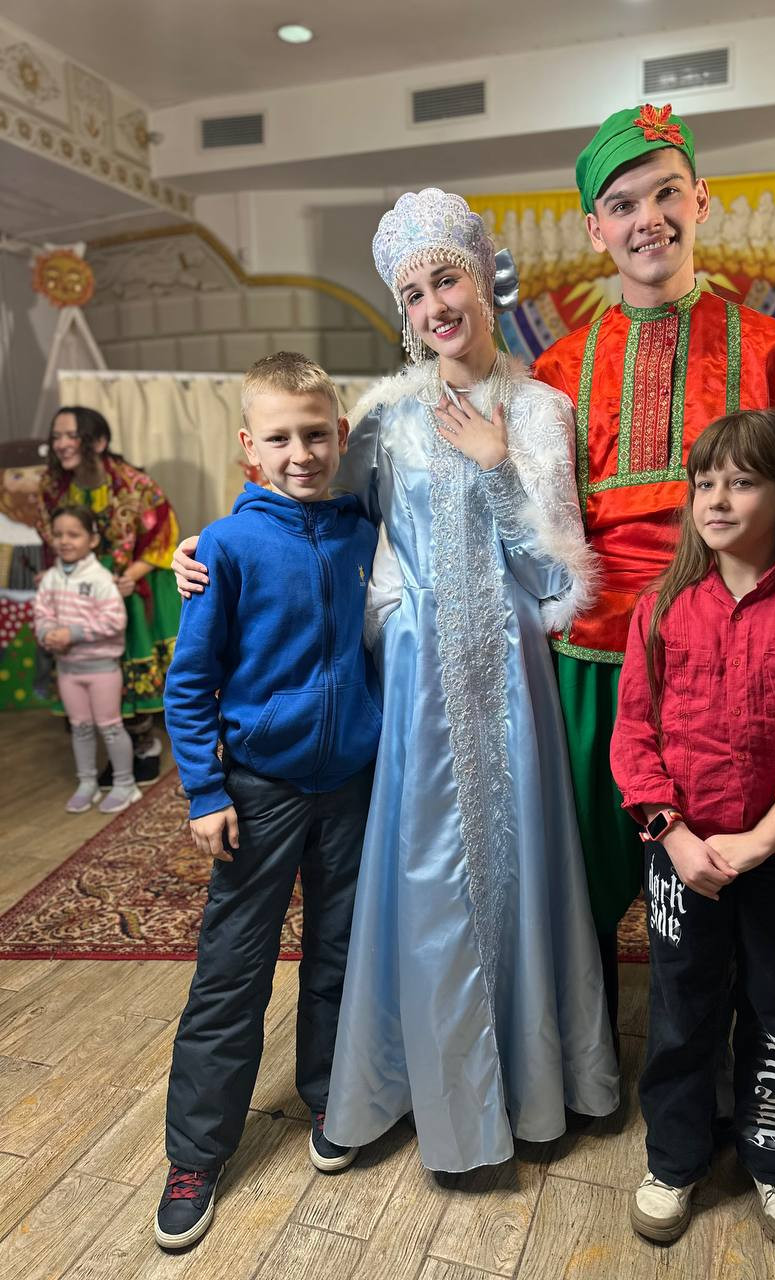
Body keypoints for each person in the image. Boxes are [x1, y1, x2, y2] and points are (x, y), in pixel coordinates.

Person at [174, 189, 619, 1174]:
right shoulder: (383, 418)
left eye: (445, 280)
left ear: (483, 279)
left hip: (510, 685)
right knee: (421, 883)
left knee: (515, 876)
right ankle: (416, 1085)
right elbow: (306, 505)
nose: (433, 307)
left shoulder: (541, 411)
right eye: (413, 294)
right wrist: (203, 544)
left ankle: (525, 1088)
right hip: (412, 686)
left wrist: (498, 467)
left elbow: (558, 583)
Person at [532, 103, 775, 1030]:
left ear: (701, 199)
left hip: (733, 658)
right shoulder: (555, 372)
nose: (647, 219)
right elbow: (520, 520)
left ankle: (729, 1065)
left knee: (727, 877)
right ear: (594, 229)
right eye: (622, 205)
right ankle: (583, 1062)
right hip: (591, 657)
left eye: (665, 194)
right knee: (580, 877)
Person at [610, 408, 775, 1251]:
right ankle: (674, 1159)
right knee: (682, 1009)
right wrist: (675, 837)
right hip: (681, 854)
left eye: (742, 482)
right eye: (705, 483)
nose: (717, 499)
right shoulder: (661, 608)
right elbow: (634, 735)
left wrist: (762, 840)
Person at [154, 354, 381, 1251]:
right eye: (280, 438)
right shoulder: (224, 548)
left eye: (316, 434)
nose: (301, 454)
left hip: (353, 784)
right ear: (250, 446)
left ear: (342, 435)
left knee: (341, 953)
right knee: (232, 969)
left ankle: (330, 1094)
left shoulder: (368, 532)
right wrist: (205, 790)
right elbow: (188, 683)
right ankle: (196, 1154)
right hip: (258, 790)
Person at [40, 408, 181, 785]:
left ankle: (145, 746)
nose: (61, 444)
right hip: (82, 588)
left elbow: (164, 537)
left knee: (129, 667)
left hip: (132, 587)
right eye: (56, 436)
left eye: (71, 435)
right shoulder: (53, 487)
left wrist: (128, 577)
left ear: (99, 442)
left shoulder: (136, 486)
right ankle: (117, 751)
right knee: (94, 668)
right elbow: (52, 535)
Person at [32, 505, 139, 814]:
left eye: (73, 534)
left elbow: (114, 621)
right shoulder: (51, 579)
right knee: (79, 727)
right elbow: (42, 614)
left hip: (102, 669)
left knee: (110, 726)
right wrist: (48, 633)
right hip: (68, 669)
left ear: (92, 540)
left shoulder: (100, 578)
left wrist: (73, 633)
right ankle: (87, 782)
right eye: (58, 534)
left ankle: (125, 784)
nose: (64, 541)